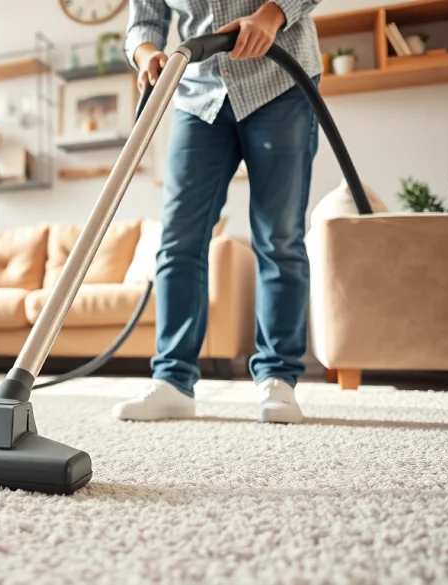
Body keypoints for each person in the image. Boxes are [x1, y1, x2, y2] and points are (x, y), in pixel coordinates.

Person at [112, 0, 323, 424]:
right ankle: (173, 381)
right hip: (198, 93)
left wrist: (272, 15)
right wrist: (147, 52)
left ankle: (278, 379)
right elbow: (145, 18)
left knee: (278, 236)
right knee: (178, 240)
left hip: (278, 80)